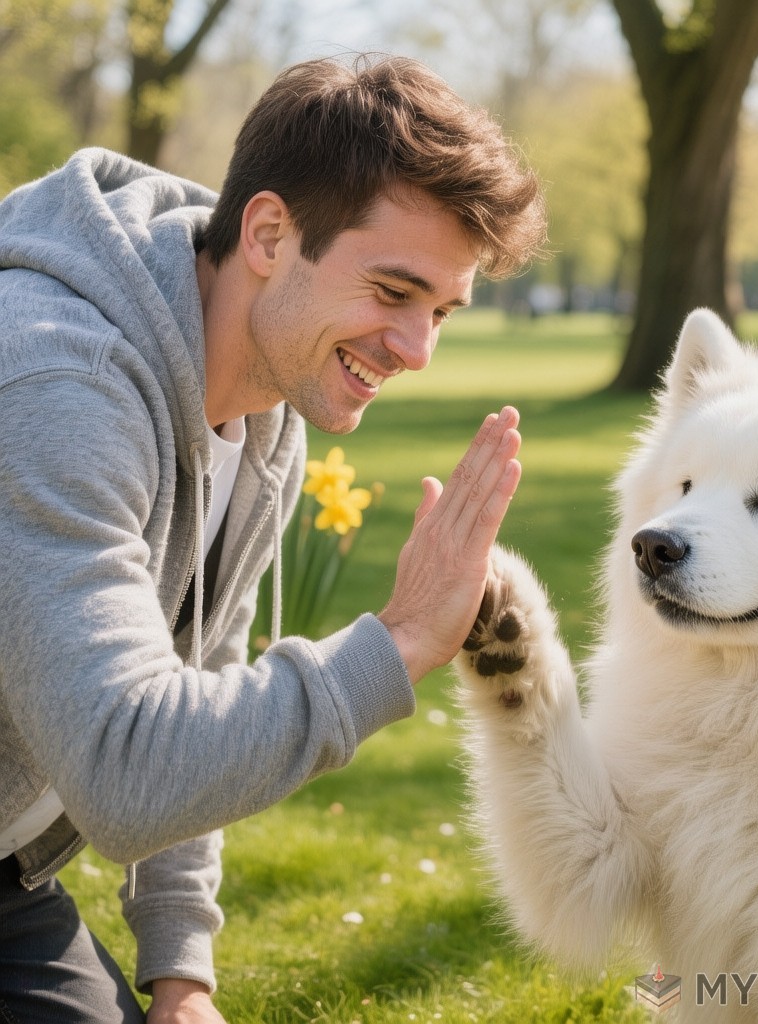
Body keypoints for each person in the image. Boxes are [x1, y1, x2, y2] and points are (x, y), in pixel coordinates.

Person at [0, 54, 546, 1023]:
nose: (418, 349)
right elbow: (125, 764)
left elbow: (194, 682)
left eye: (440, 312)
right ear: (265, 233)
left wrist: (179, 970)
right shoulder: (56, 385)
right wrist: (400, 642)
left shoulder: (268, 411)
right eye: (392, 291)